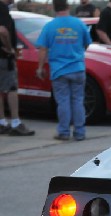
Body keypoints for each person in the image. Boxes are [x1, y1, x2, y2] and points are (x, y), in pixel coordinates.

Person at [36, 0, 91, 141]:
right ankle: (80, 132)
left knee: (63, 102)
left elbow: (42, 48)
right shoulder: (79, 24)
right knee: (78, 100)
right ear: (68, 7)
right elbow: (86, 44)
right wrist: (77, 55)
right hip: (78, 68)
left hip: (59, 70)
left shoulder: (49, 26)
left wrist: (40, 67)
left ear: (54, 8)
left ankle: (64, 132)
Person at [0, 0, 34, 136]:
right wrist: (9, 49)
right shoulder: (2, 9)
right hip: (4, 58)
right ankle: (16, 123)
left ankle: (2, 123)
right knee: (12, 89)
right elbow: (2, 31)